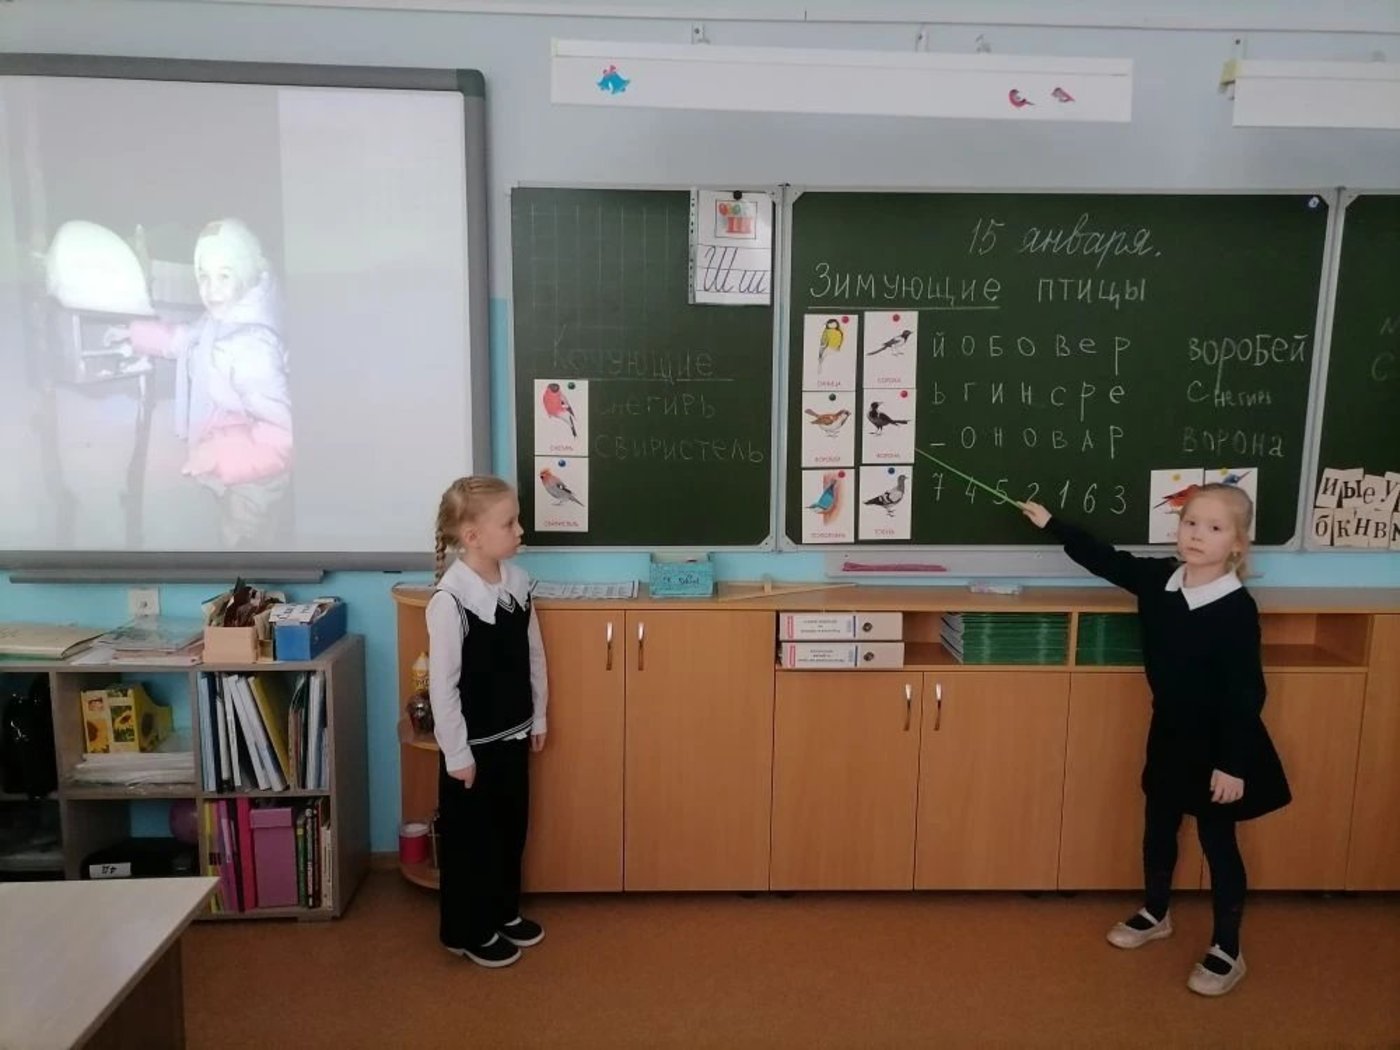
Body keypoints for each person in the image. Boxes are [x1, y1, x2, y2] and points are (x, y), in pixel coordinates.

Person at [1022, 483, 1290, 997]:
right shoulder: (1159, 580)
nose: (1197, 535)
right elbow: (1105, 559)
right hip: (1169, 733)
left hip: (1220, 744)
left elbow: (1246, 692)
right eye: (1190, 523)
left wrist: (1232, 764)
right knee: (1159, 826)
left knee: (1218, 842)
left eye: (1214, 528)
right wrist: (1053, 525)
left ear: (1237, 544)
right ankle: (1156, 911)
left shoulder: (1236, 608)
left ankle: (1227, 948)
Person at [108, 218, 292, 548]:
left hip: (258, 480)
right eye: (203, 276)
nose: (211, 289)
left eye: (224, 275)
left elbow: (284, 438)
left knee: (243, 548)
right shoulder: (223, 319)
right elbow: (187, 339)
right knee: (228, 536)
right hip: (234, 457)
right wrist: (136, 335)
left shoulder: (252, 347)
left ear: (246, 273)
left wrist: (220, 454)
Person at [427, 475, 549, 968]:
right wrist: (457, 753)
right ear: (472, 536)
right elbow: (443, 686)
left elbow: (533, 654)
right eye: (510, 523)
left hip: (514, 735)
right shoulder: (451, 600)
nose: (520, 531)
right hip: (472, 750)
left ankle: (502, 911)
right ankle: (468, 929)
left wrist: (539, 715)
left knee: (510, 830)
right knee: (471, 842)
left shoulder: (518, 583)